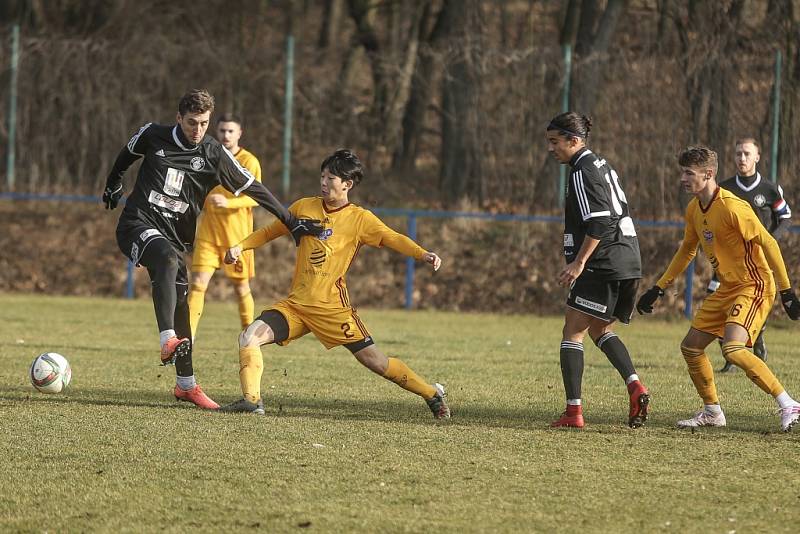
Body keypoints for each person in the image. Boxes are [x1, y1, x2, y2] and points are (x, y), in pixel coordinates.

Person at [102, 89, 321, 410]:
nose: (198, 130)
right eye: (192, 122)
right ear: (179, 118)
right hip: (137, 223)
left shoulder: (213, 153)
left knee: (182, 304)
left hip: (177, 240)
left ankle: (186, 385)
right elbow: (126, 154)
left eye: (204, 123)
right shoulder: (153, 134)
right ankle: (166, 341)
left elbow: (254, 188)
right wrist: (113, 183)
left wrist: (291, 221)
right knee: (162, 258)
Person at [218, 149, 450, 419]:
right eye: (322, 176)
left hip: (332, 309)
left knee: (375, 362)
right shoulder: (303, 207)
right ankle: (252, 401)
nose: (324, 182)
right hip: (296, 307)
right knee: (249, 337)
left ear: (347, 184)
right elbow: (271, 231)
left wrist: (423, 254)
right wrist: (240, 247)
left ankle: (431, 394)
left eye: (330, 178)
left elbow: (392, 237)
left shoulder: (360, 219)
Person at [636, 145, 800, 432]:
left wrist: (787, 292)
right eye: (682, 173)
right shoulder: (694, 210)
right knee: (691, 347)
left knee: (733, 349)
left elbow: (769, 242)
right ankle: (713, 412)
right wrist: (659, 288)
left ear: (708, 174)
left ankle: (789, 404)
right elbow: (687, 250)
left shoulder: (733, 207)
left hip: (755, 285)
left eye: (689, 173)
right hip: (727, 287)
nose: (683, 179)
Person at [545, 112, 650, 430]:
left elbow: (601, 221)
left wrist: (579, 263)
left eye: (555, 142)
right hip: (628, 259)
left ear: (574, 141)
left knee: (572, 332)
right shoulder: (601, 164)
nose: (551, 149)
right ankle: (636, 387)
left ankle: (573, 412)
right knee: (599, 329)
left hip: (603, 262)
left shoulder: (582, 170)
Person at [711, 137, 792, 372]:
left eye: (747, 153)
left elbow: (784, 217)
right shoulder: (724, 189)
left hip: (758, 260)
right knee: (717, 301)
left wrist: (770, 241)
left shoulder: (769, 188)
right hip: (728, 260)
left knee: (755, 303)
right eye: (738, 154)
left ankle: (757, 337)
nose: (742, 158)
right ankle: (731, 358)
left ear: (757, 156)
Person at [188, 114, 263, 338]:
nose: (226, 135)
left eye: (231, 131)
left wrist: (229, 202)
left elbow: (257, 197)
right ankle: (187, 338)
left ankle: (248, 336)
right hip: (208, 234)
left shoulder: (249, 161)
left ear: (240, 133)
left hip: (236, 238)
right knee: (198, 284)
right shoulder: (208, 156)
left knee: (241, 288)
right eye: (222, 131)